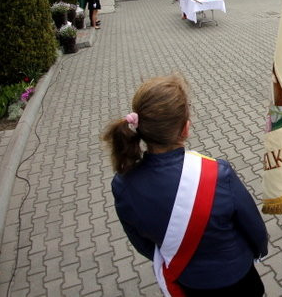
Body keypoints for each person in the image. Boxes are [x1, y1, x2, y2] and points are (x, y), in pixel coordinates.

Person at [103, 75, 268, 296]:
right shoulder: (217, 173)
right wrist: (259, 250)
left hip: (187, 282)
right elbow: (253, 226)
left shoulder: (123, 185)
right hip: (237, 276)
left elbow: (142, 243)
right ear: (185, 129)